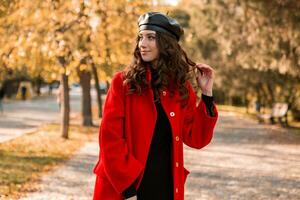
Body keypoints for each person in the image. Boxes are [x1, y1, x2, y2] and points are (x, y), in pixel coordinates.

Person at [93, 12, 218, 200]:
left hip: (165, 186)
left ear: (167, 44)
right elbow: (110, 139)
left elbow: (196, 138)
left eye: (151, 38)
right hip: (125, 186)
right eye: (141, 37)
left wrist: (207, 95)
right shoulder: (123, 82)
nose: (142, 44)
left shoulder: (179, 87)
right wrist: (128, 188)